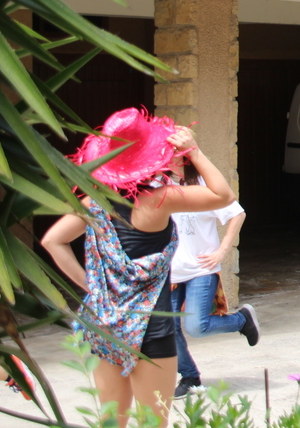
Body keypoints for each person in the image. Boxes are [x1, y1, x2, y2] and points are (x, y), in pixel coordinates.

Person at [41, 108, 236, 428]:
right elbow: (223, 195)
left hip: (107, 326)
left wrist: (92, 286)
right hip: (152, 330)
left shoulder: (94, 203)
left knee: (111, 422)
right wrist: (194, 152)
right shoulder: (161, 200)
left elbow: (53, 241)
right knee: (153, 423)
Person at [170, 188, 258, 399]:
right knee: (166, 328)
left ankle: (241, 320)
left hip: (202, 270)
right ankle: (190, 377)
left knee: (196, 326)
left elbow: (237, 214)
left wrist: (222, 251)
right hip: (170, 272)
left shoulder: (204, 187)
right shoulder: (159, 184)